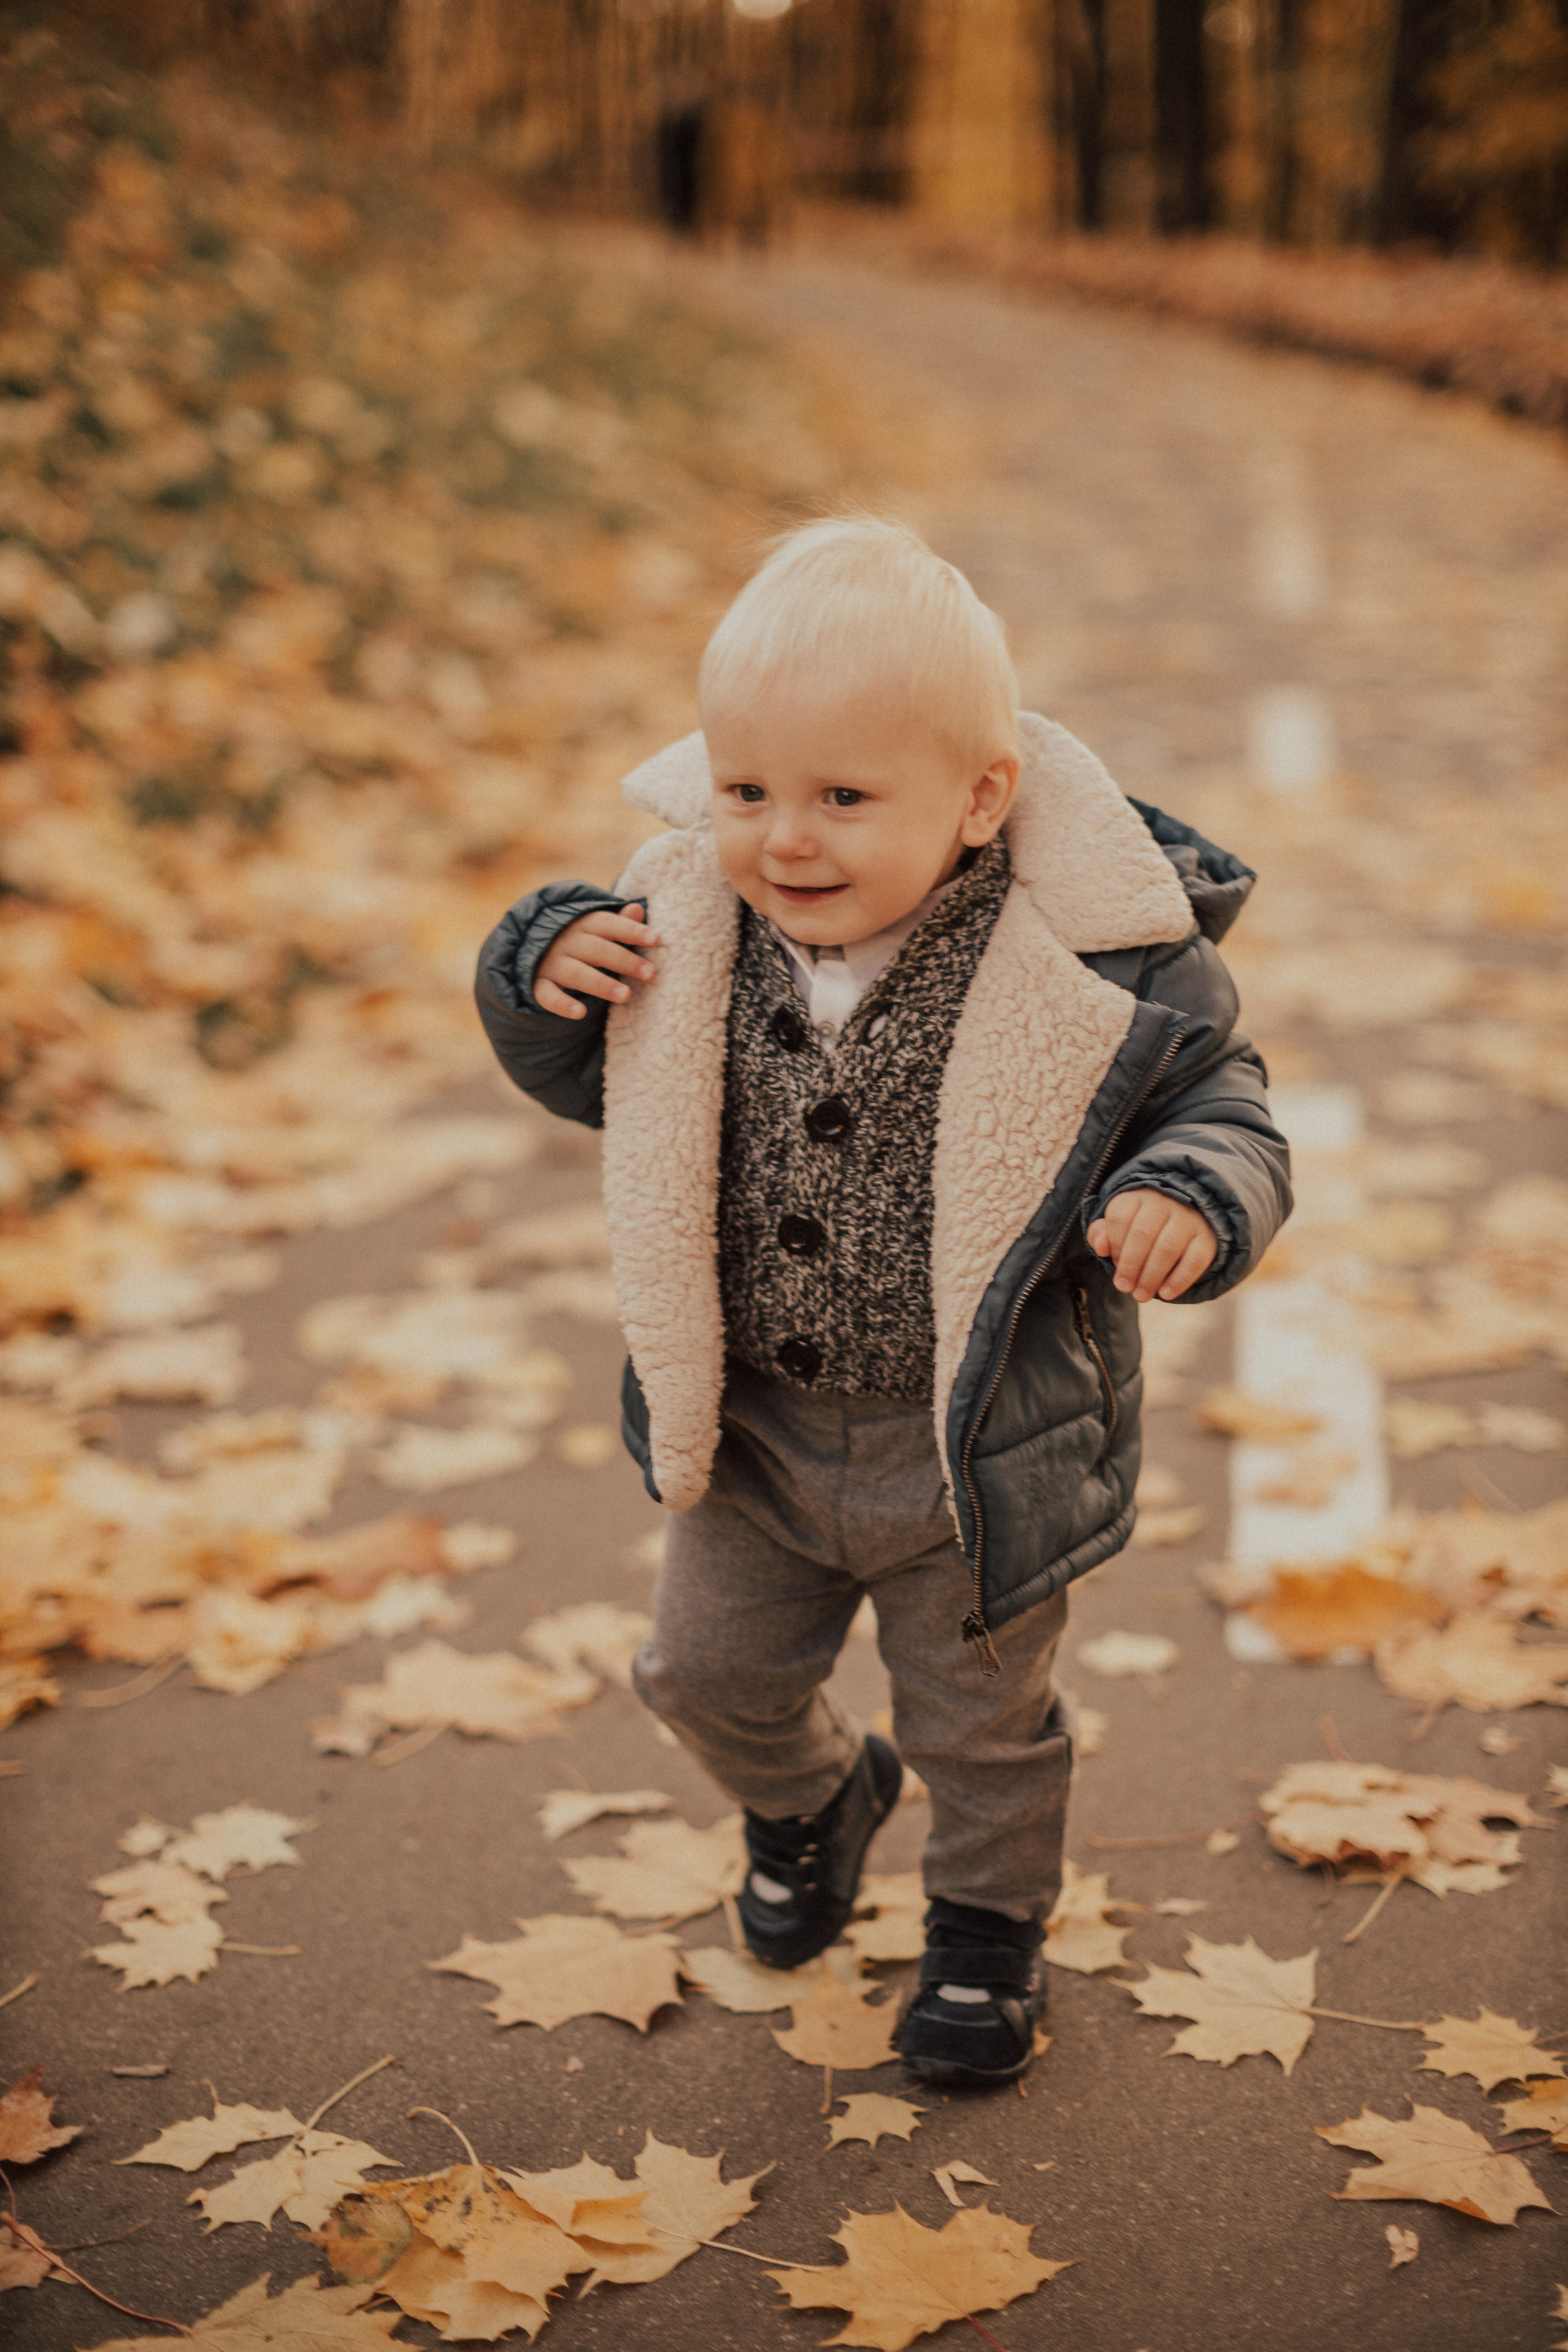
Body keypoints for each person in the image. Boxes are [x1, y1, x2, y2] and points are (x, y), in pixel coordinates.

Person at [475, 516, 1291, 2088]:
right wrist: (535, 972)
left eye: (845, 799)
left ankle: (984, 1932)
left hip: (972, 1445)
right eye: (745, 792)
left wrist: (1188, 1194)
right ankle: (808, 1803)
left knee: (980, 1726)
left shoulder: (1089, 964)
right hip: (763, 1433)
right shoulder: (686, 938)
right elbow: (589, 1072)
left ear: (979, 799)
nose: (786, 840)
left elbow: (1222, 1105)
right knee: (700, 1676)